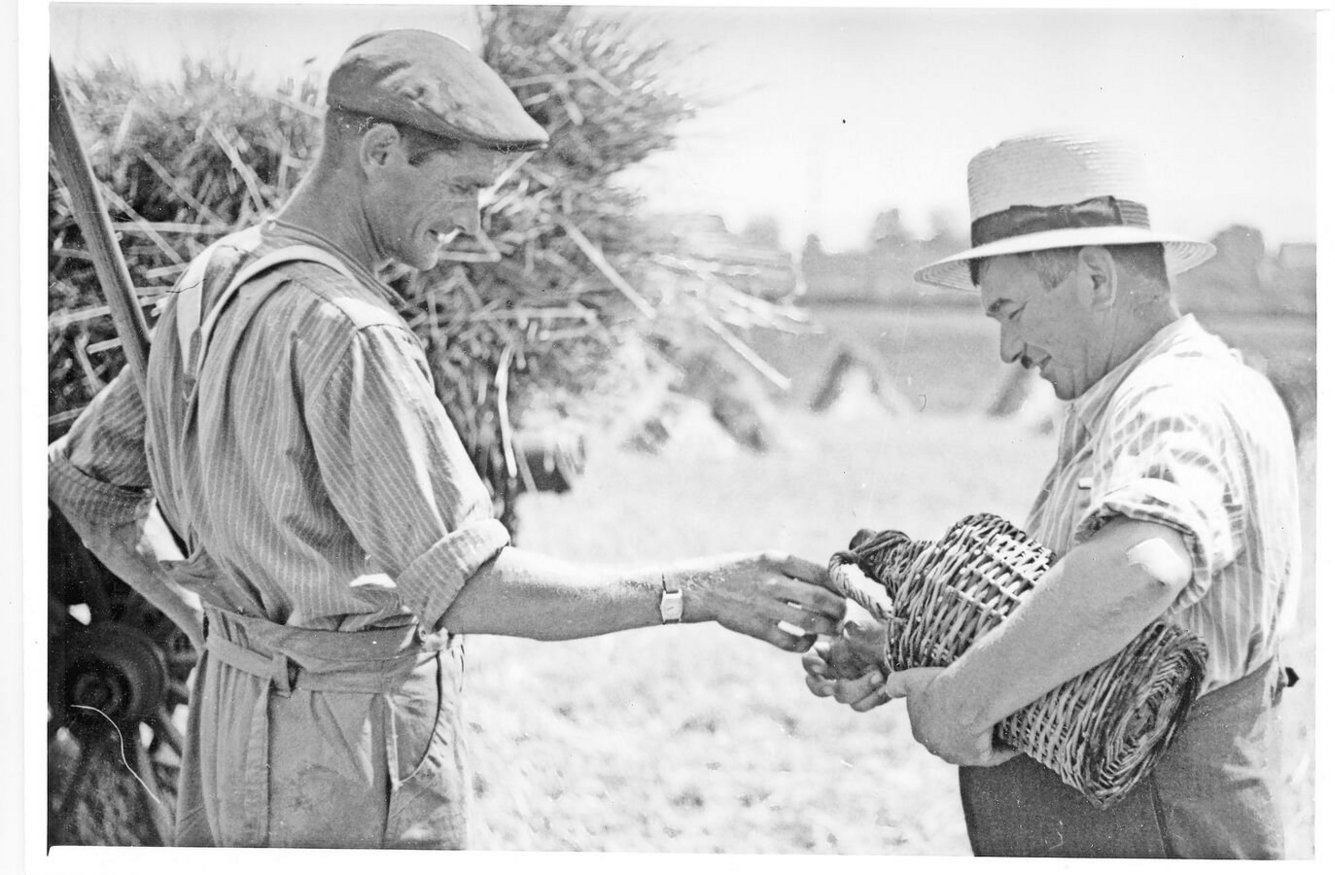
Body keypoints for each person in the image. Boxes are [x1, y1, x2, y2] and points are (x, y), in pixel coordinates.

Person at [49, 29, 845, 850]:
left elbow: (83, 488)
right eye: (463, 186)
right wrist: (703, 590)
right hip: (346, 754)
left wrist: (202, 623)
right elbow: (472, 588)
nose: (475, 220)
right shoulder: (351, 335)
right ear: (381, 151)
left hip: (227, 720)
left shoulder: (208, 283)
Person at [802, 132, 1302, 858]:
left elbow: (1140, 569)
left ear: (1095, 277)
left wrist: (963, 700)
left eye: (1011, 309)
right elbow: (1089, 618)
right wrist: (899, 648)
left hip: (1151, 828)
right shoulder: (1148, 391)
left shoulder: (1171, 398)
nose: (1007, 348)